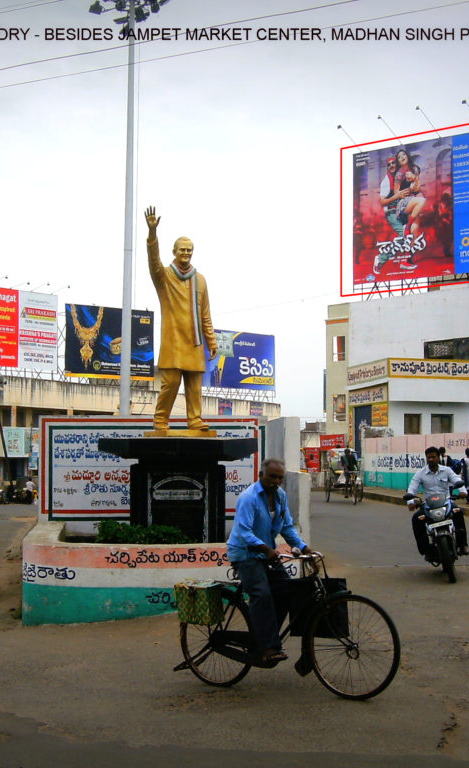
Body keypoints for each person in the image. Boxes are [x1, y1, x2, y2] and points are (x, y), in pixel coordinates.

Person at [226, 458, 313, 664]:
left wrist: (303, 547)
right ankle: (266, 645)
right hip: (245, 554)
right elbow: (243, 531)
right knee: (261, 594)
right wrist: (265, 548)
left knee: (286, 592)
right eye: (272, 477)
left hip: (266, 553)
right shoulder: (249, 498)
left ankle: (266, 635)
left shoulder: (281, 497)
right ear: (261, 476)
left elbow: (287, 526)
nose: (276, 481)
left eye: (280, 478)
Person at [144, 206, 218, 434]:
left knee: (195, 386)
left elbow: (205, 314)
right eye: (182, 250)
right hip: (174, 342)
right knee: (171, 383)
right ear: (174, 252)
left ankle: (195, 420)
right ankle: (160, 420)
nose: (185, 254)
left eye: (189, 251)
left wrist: (212, 341)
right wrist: (152, 233)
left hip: (195, 343)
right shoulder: (164, 276)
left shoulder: (201, 280)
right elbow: (153, 261)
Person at [406, 446, 469, 557]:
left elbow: (456, 479)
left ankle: (462, 545)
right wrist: (410, 502)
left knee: (458, 512)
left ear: (438, 458)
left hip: (446, 502)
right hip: (429, 505)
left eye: (433, 457)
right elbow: (412, 488)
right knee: (417, 519)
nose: (431, 459)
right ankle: (426, 550)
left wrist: (463, 491)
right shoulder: (420, 473)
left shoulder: (447, 470)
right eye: (429, 457)